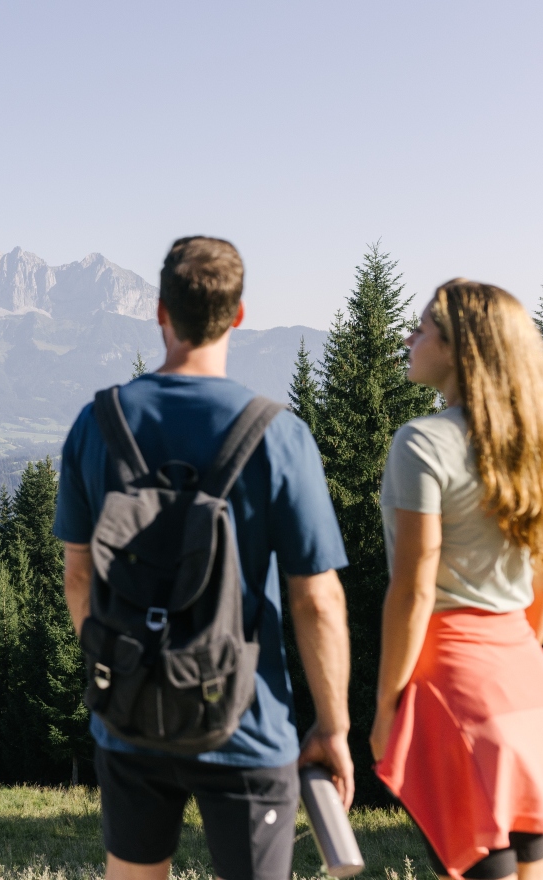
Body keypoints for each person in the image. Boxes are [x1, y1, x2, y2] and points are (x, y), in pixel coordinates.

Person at [57, 236, 354, 880]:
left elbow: (78, 577)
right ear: (239, 315)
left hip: (130, 718)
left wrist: (123, 665)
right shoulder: (278, 433)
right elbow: (317, 600)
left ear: (159, 310)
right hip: (246, 722)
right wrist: (333, 726)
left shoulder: (97, 423)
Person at [372, 279, 543, 880]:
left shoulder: (422, 442)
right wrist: (508, 660)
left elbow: (415, 588)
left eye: (421, 328)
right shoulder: (536, 444)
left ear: (458, 348)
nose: (408, 338)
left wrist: (386, 705)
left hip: (455, 690)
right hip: (530, 687)